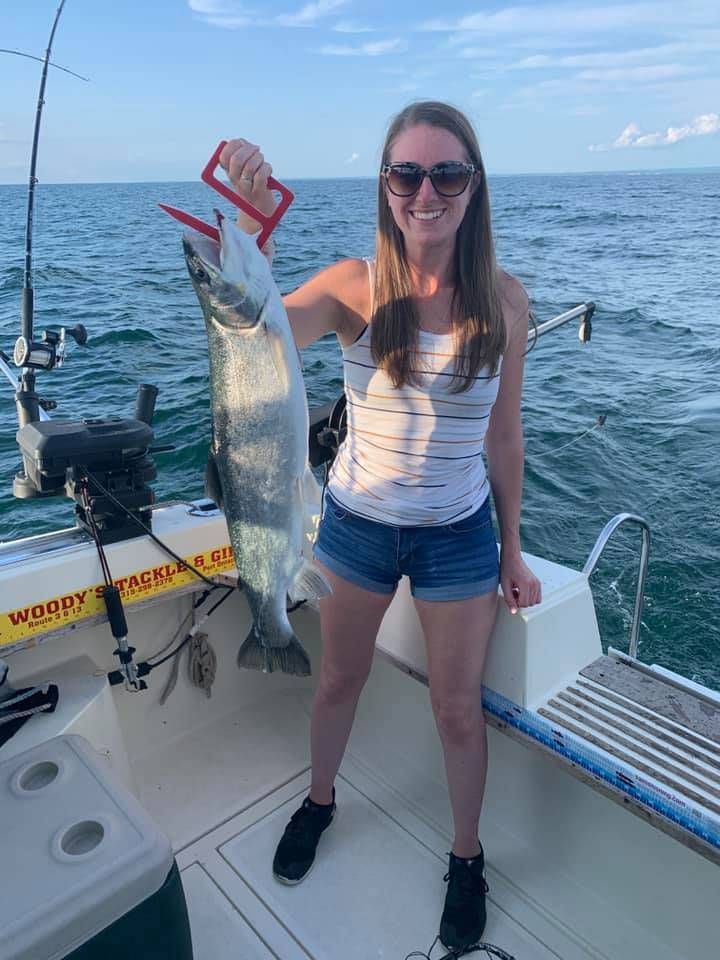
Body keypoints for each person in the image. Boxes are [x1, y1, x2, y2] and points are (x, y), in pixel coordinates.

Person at [219, 101, 542, 951]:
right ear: (385, 185)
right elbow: (255, 332)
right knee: (334, 683)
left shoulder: (507, 302)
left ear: (474, 187)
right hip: (355, 524)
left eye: (446, 173)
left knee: (457, 713)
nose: (425, 191)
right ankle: (320, 801)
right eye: (407, 173)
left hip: (458, 534)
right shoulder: (351, 286)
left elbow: (504, 435)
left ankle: (466, 857)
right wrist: (254, 234)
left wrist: (512, 547)